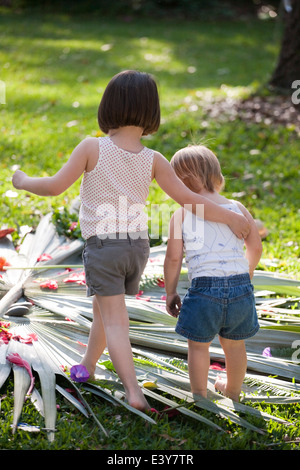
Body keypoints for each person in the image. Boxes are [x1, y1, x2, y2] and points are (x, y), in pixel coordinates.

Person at [12, 70, 250, 411]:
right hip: (135, 249)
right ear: (151, 113)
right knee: (103, 309)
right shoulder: (154, 159)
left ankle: (133, 391)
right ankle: (89, 364)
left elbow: (53, 186)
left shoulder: (92, 147)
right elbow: (189, 199)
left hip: (104, 248)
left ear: (108, 107)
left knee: (114, 318)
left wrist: (22, 180)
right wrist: (229, 215)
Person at [164, 144, 262, 402]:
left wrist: (171, 291)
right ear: (217, 176)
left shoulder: (181, 214)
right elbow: (255, 247)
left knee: (198, 346)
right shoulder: (237, 208)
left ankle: (199, 394)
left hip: (204, 291)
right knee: (234, 344)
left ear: (179, 186)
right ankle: (232, 391)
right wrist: (246, 275)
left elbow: (173, 258)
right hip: (240, 288)